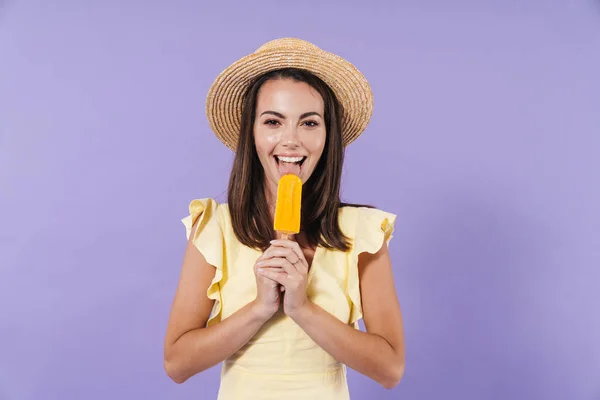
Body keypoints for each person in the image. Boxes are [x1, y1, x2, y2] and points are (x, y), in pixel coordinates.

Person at [163, 38, 405, 399]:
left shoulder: (362, 233)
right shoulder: (214, 228)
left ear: (327, 136)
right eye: (273, 121)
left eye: (309, 123)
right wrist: (261, 308)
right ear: (252, 133)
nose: (290, 140)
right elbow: (177, 364)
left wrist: (301, 308)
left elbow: (389, 369)